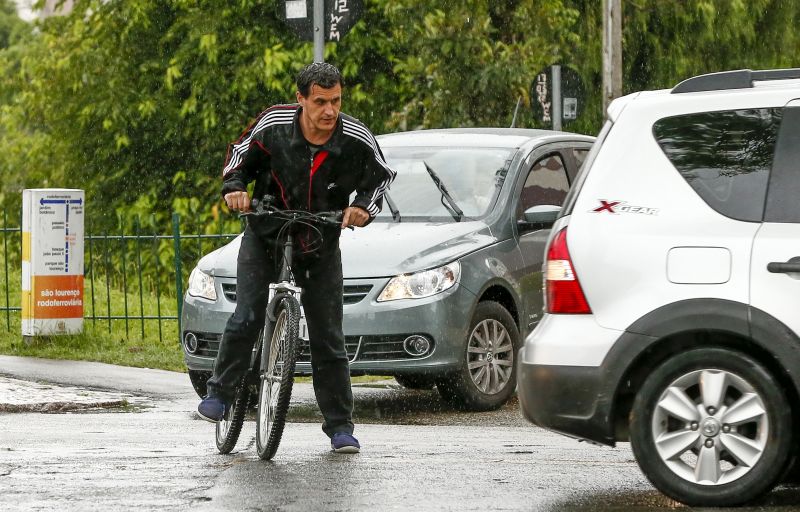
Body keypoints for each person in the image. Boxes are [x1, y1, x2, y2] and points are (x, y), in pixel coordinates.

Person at [197, 62, 395, 454]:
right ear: (300, 98)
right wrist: (234, 189)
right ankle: (219, 394)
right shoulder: (273, 126)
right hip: (265, 233)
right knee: (248, 314)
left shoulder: (355, 138)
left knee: (328, 336)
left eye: (336, 100)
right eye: (320, 101)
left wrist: (363, 209)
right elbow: (238, 158)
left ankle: (340, 426)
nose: (329, 111)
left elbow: (381, 178)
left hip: (319, 242)